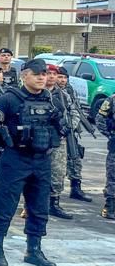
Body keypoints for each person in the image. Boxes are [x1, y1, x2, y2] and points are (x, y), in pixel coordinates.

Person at [0, 58, 63, 266]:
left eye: (44, 74)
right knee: (6, 206)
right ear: (24, 76)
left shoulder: (49, 99)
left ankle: (34, 250)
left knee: (39, 208)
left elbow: (57, 126)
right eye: (36, 74)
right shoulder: (9, 99)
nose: (41, 77)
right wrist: (7, 145)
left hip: (41, 160)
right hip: (16, 160)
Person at [56, 67, 94, 203]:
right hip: (59, 132)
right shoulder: (52, 92)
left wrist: (73, 125)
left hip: (71, 130)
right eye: (59, 77)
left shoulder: (70, 91)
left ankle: (75, 187)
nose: (62, 80)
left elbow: (76, 110)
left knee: (75, 158)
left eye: (64, 77)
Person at [44, 64, 75, 220]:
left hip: (58, 138)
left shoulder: (63, 96)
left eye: (53, 74)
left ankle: (54, 203)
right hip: (39, 139)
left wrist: (68, 128)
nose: (51, 76)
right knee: (34, 173)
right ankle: (31, 205)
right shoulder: (36, 92)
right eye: (47, 73)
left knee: (58, 172)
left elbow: (73, 114)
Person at [98, 96, 115, 220]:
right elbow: (100, 118)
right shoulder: (112, 100)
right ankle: (110, 206)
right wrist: (109, 134)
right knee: (113, 176)